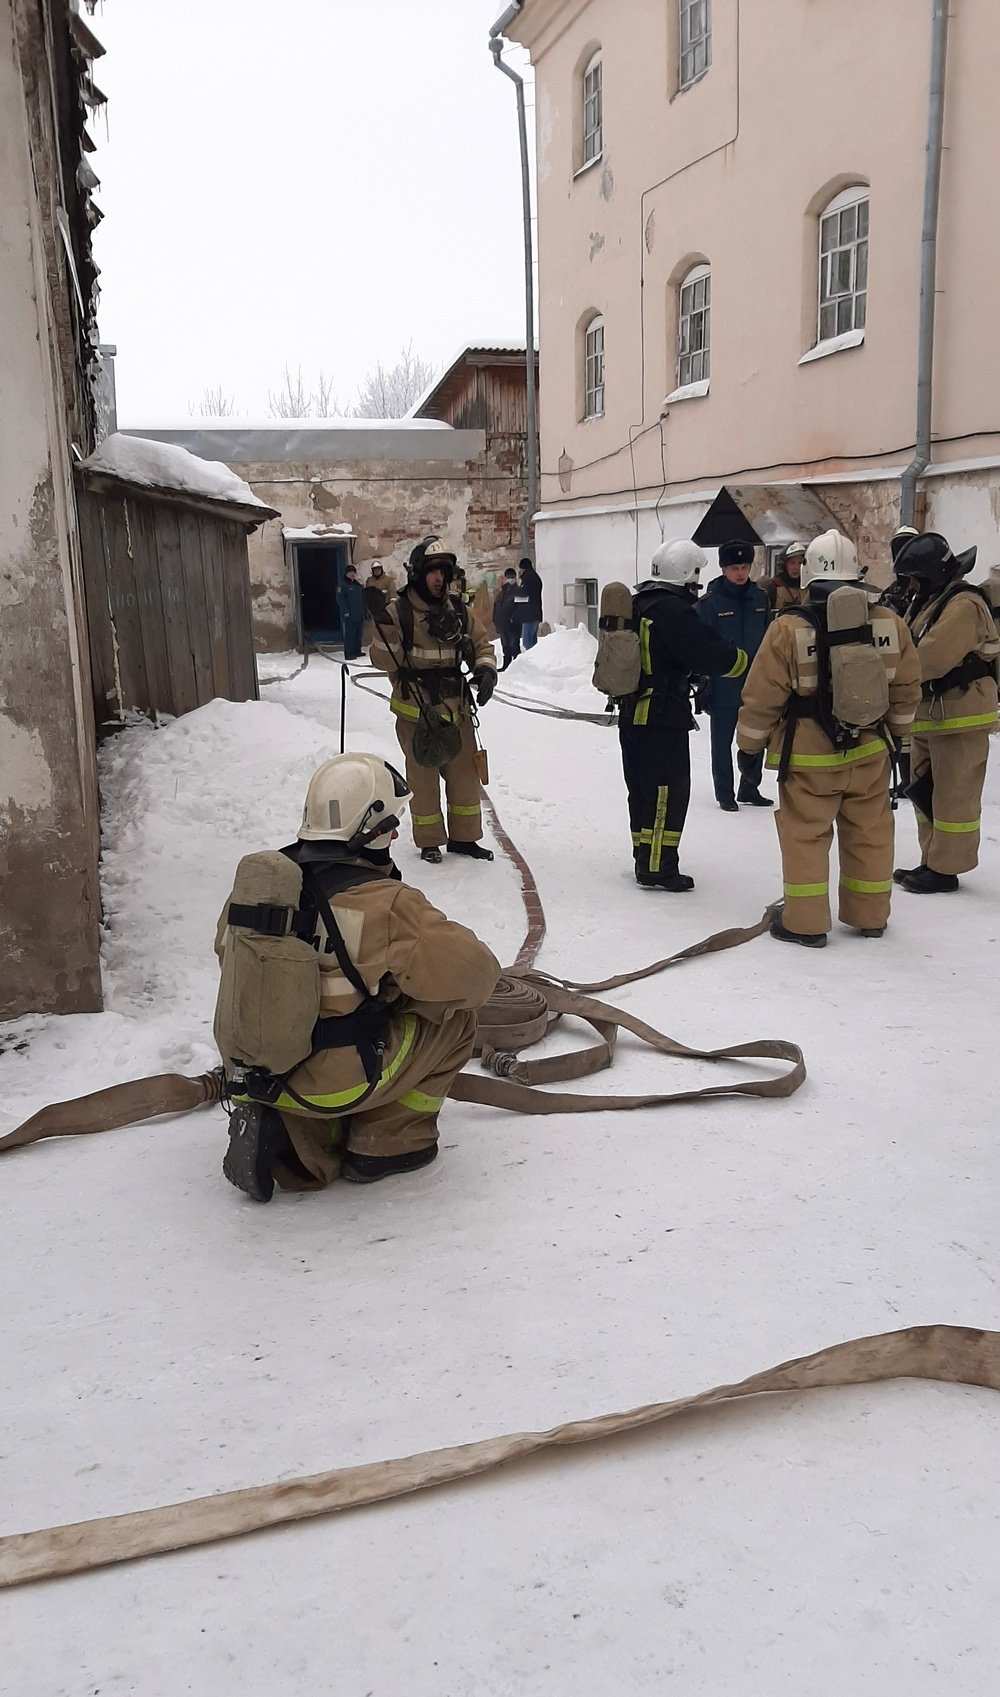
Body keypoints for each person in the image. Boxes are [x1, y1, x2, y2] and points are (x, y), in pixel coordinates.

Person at [219, 754, 501, 1200]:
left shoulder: (262, 889)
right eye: (394, 823)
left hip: (253, 1070)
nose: (395, 833)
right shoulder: (385, 903)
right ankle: (387, 1142)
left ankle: (297, 1137)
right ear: (376, 828)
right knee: (456, 1019)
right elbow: (477, 978)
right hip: (334, 1083)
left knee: (332, 1032)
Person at [736, 530, 921, 947]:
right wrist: (900, 738)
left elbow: (761, 697)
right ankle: (869, 914)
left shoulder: (787, 629)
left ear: (809, 575)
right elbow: (908, 689)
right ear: (858, 573)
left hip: (808, 756)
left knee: (805, 836)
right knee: (870, 833)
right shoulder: (890, 622)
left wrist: (748, 748)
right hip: (871, 750)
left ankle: (804, 923)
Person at [618, 539, 748, 891]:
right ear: (687, 575)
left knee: (641, 790)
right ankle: (658, 868)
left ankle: (643, 854)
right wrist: (744, 662)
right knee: (666, 792)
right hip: (662, 716)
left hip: (631, 713)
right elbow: (706, 653)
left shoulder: (636, 603)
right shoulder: (673, 610)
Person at [369, 536, 498, 865]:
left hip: (457, 710)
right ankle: (429, 841)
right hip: (417, 713)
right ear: (418, 574)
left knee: (464, 777)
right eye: (433, 572)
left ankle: (465, 838)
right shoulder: (399, 612)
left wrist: (485, 671)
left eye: (444, 571)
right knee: (423, 781)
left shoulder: (458, 610)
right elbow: (384, 661)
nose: (440, 579)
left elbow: (482, 646)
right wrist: (383, 626)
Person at [893, 531, 999, 893]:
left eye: (913, 578)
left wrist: (889, 672)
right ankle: (931, 859)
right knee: (925, 789)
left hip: (959, 715)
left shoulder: (963, 605)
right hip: (932, 715)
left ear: (931, 575)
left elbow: (930, 658)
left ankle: (946, 870)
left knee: (954, 795)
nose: (909, 585)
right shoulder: (933, 600)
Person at [696, 539, 773, 810]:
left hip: (756, 684)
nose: (740, 573)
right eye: (733, 568)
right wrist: (704, 683)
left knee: (755, 738)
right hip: (723, 685)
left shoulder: (761, 599)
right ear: (723, 569)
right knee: (722, 742)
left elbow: (769, 640)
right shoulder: (709, 604)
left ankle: (749, 787)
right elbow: (700, 646)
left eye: (744, 566)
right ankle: (725, 793)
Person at [336, 563, 366, 661]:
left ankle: (357, 650)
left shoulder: (357, 585)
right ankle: (349, 653)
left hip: (359, 614)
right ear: (346, 574)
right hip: (350, 615)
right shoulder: (343, 585)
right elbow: (341, 600)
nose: (352, 574)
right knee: (350, 634)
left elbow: (362, 600)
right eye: (350, 573)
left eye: (353, 572)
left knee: (358, 633)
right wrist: (345, 611)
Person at [492, 567, 521, 669]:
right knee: (505, 646)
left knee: (514, 646)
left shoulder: (517, 591)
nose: (510, 579)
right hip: (502, 624)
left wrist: (514, 619)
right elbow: (497, 606)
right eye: (508, 577)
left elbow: (518, 608)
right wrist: (494, 619)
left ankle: (517, 666)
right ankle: (506, 665)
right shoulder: (502, 592)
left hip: (512, 625)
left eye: (512, 577)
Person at [765, 542, 807, 611]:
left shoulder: (808, 587)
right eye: (792, 563)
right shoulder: (774, 587)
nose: (796, 567)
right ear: (784, 565)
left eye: (800, 563)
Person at [512, 557, 543, 650]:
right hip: (534, 613)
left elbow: (525, 592)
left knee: (527, 642)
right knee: (532, 642)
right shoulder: (533, 576)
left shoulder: (529, 577)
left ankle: (530, 661)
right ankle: (534, 659)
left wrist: (515, 592)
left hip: (529, 614)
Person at [362, 560, 392, 625]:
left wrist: (391, 604)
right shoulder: (369, 580)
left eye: (378, 569)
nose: (377, 572)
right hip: (372, 607)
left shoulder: (388, 580)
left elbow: (392, 592)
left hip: (384, 607)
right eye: (375, 570)